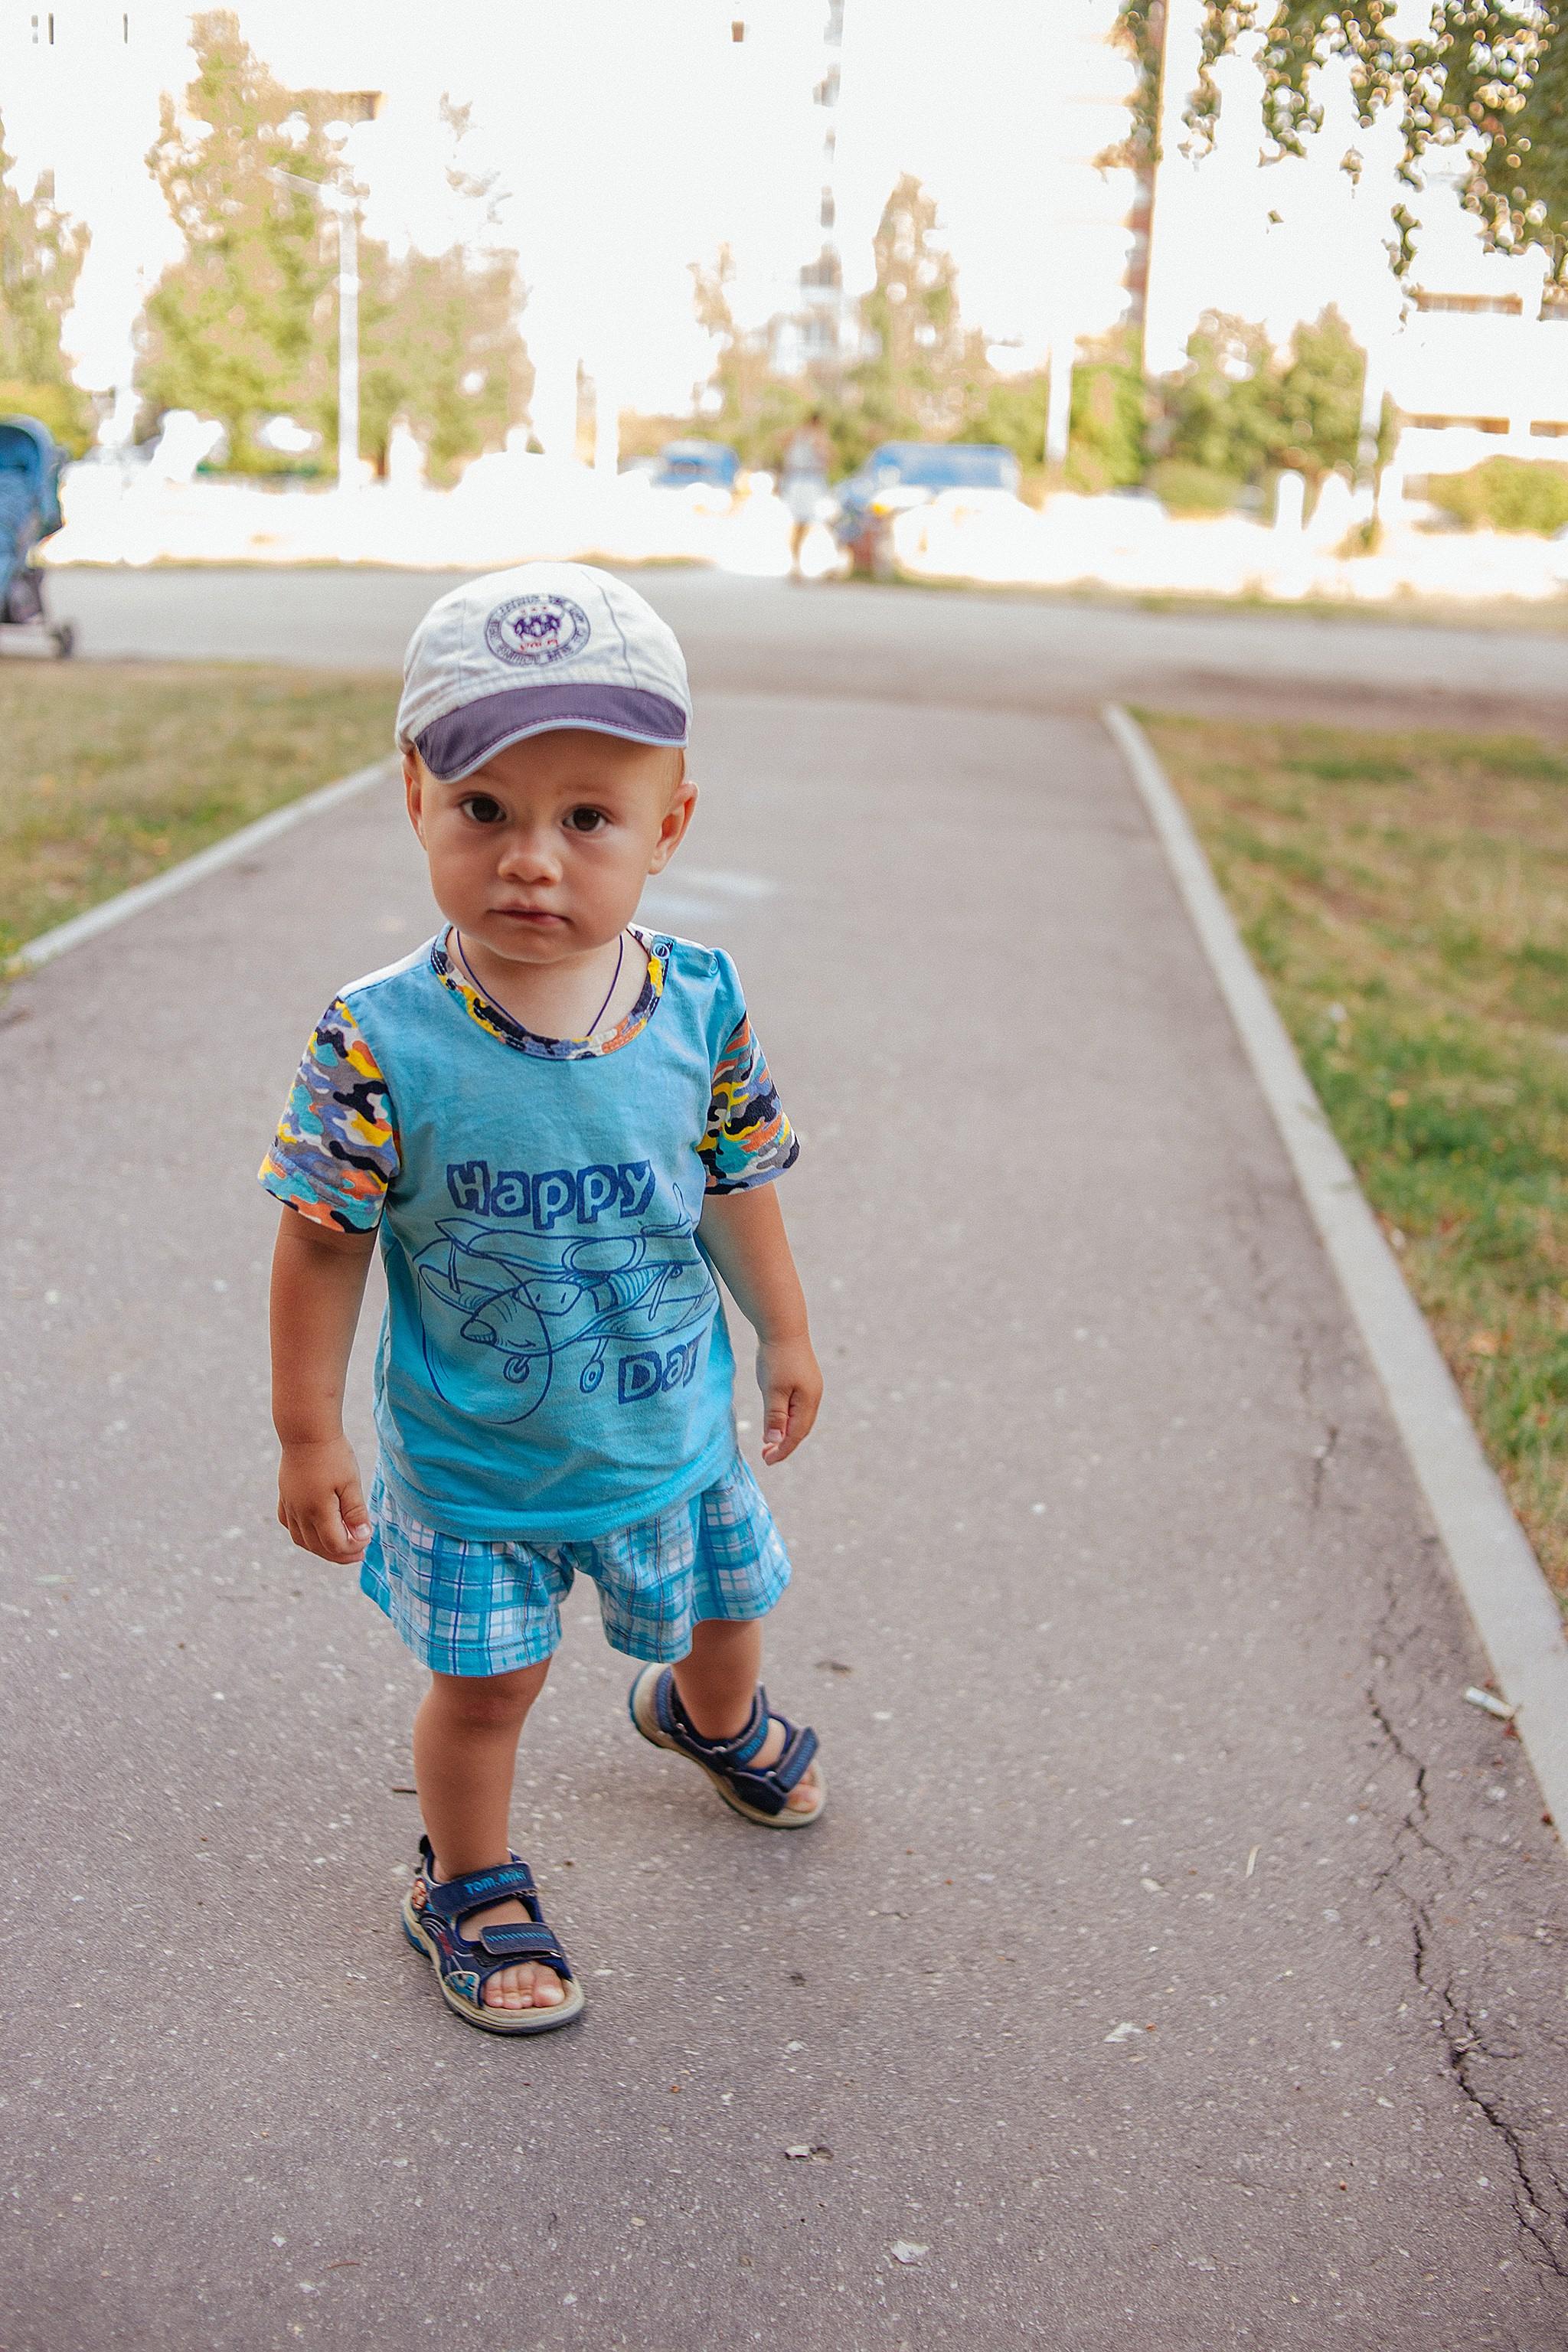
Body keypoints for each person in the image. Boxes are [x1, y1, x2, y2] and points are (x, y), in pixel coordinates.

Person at [261, 562, 824, 2037]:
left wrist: (787, 1328)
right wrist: (306, 1432)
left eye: (587, 817)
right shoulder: (377, 1038)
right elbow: (321, 1239)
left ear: (668, 826)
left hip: (671, 1438)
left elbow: (733, 1180)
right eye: (485, 810)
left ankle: (714, 1724)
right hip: (479, 1467)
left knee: (726, 1607)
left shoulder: (697, 1002)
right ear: (413, 800)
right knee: (491, 1688)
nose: (532, 859)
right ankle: (468, 1875)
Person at [779, 410, 833, 578]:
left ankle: (800, 564)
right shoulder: (813, 437)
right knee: (806, 523)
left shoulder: (797, 434)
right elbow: (828, 459)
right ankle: (798, 564)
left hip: (801, 479)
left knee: (806, 523)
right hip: (807, 481)